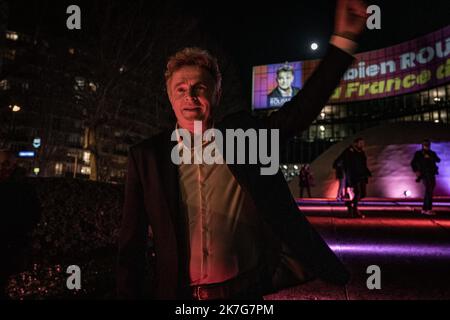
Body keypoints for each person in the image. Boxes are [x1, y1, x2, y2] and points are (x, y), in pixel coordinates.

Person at [117, 0, 367, 300]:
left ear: (216, 94)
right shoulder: (146, 157)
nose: (190, 96)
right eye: (180, 89)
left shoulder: (245, 140)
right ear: (170, 98)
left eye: (200, 87)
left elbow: (301, 111)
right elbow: (131, 245)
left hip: (242, 294)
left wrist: (343, 42)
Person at [0, 150, 41, 299]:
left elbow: (33, 214)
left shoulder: (23, 188)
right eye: (3, 165)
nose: (4, 169)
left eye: (7, 165)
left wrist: (19, 231)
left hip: (11, 244)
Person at [339, 138, 371, 218]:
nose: (362, 145)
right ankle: (355, 210)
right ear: (355, 143)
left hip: (362, 175)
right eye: (360, 143)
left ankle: (350, 204)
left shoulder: (362, 152)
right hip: (354, 176)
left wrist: (367, 172)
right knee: (357, 192)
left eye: (363, 143)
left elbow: (363, 164)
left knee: (363, 194)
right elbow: (341, 160)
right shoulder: (350, 151)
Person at [411, 140, 441, 215]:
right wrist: (416, 171)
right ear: (422, 145)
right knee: (429, 190)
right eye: (425, 144)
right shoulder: (419, 153)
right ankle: (428, 209)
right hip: (424, 174)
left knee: (429, 191)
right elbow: (413, 163)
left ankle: (425, 209)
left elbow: (438, 160)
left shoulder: (432, 153)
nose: (426, 145)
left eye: (428, 144)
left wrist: (430, 157)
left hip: (431, 174)